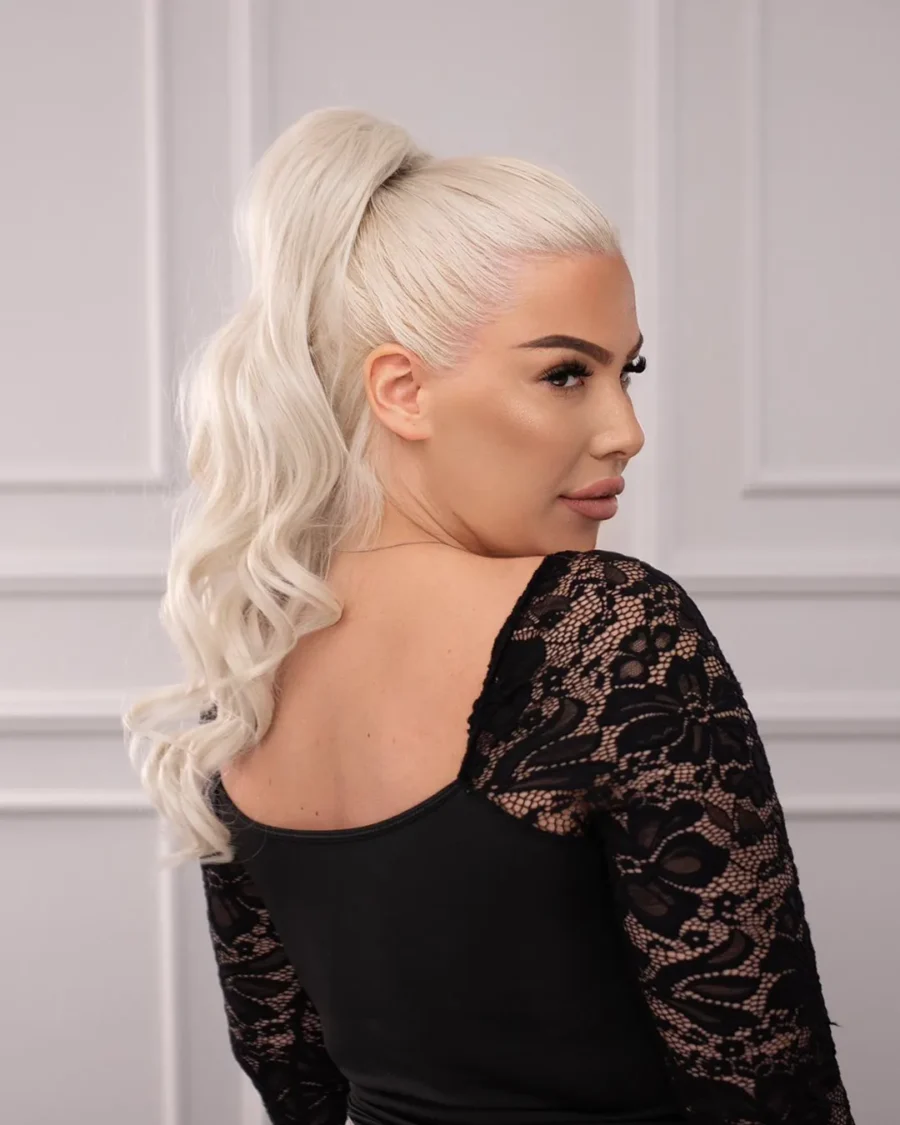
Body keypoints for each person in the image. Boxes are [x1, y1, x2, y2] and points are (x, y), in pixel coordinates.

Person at [123, 107, 855, 1125]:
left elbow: (290, 1072)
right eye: (565, 374)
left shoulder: (254, 660)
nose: (626, 430)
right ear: (403, 390)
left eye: (626, 371)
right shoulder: (605, 629)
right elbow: (766, 1089)